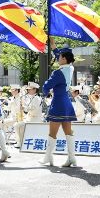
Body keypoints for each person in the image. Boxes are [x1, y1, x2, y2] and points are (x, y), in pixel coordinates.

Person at [40, 37, 77, 167]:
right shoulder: (70, 68)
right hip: (66, 101)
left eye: (60, 57)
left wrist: (45, 91)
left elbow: (46, 86)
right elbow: (58, 55)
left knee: (52, 132)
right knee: (68, 132)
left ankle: (48, 158)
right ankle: (72, 158)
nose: (57, 58)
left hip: (57, 102)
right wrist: (53, 45)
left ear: (64, 59)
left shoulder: (58, 73)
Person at [14, 82, 43, 148]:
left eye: (30, 89)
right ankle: (20, 142)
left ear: (35, 89)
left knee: (17, 125)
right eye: (28, 89)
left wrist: (24, 107)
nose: (28, 90)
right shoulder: (31, 98)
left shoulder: (37, 98)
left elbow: (32, 108)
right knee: (17, 125)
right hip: (30, 118)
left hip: (35, 119)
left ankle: (20, 142)